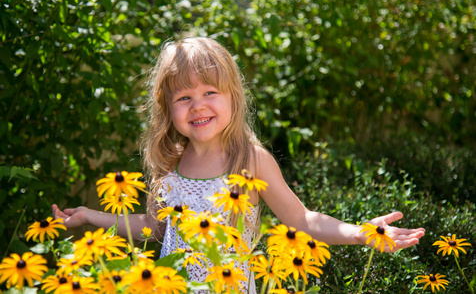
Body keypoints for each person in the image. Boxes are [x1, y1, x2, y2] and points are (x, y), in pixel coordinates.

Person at [52, 37, 425, 292]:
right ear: (167, 109)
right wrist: (89, 216)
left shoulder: (249, 160)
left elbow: (302, 220)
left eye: (210, 92)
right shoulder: (170, 163)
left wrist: (361, 232)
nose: (198, 105)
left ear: (234, 97)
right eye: (184, 97)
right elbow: (154, 228)